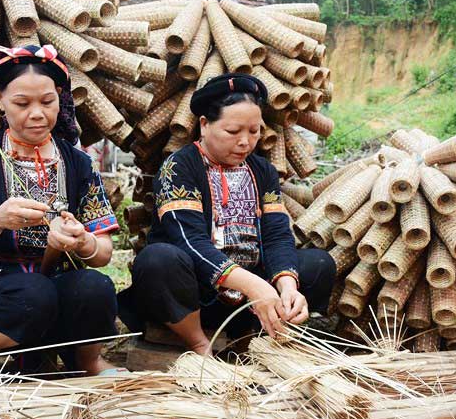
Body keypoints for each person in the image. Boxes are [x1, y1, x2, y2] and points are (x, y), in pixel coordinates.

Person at [0, 45, 122, 381]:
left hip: (54, 290)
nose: (37, 113)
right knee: (32, 290)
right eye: (22, 103)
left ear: (60, 98)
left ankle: (88, 362)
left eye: (47, 102)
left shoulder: (78, 163)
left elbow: (104, 253)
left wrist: (82, 241)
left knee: (95, 286)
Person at [118, 74, 337, 355]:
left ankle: (253, 339)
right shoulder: (179, 167)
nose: (245, 142)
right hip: (195, 296)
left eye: (254, 131)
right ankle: (198, 343)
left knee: (318, 263)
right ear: (205, 125)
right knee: (159, 259)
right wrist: (255, 285)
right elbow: (188, 241)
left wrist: (287, 286)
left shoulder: (263, 171)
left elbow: (276, 234)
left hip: (250, 299)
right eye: (233, 132)